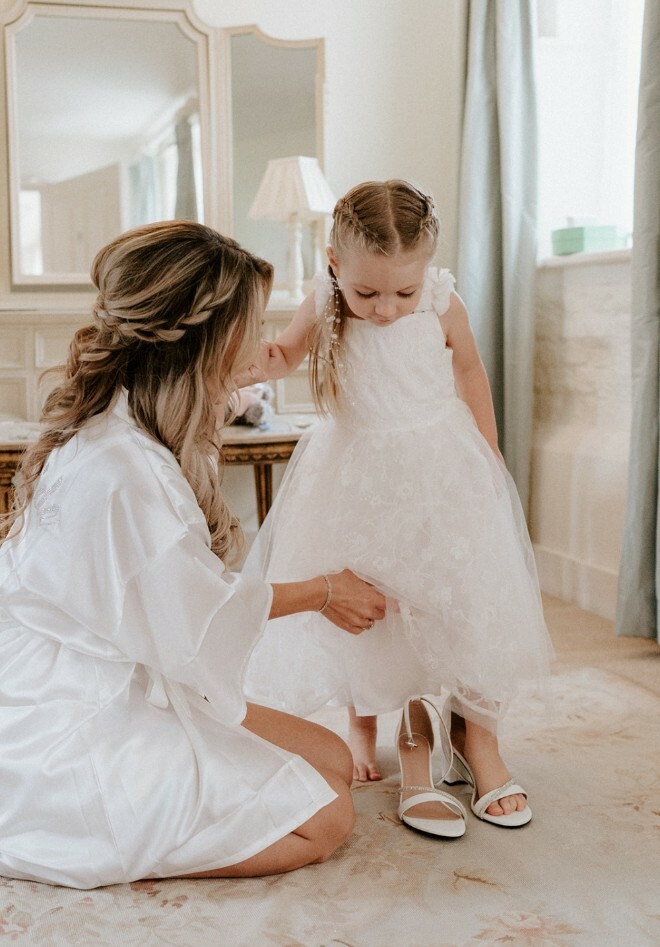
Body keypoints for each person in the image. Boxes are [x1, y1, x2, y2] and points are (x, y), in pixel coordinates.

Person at [0, 220, 387, 889]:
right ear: (197, 341)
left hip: (129, 664)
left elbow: (189, 612)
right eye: (247, 326)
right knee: (324, 819)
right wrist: (324, 591)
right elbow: (202, 618)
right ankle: (112, 840)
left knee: (330, 757)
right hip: (76, 704)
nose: (258, 347)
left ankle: (150, 811)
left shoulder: (130, 426)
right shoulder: (122, 469)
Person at [240, 180, 553, 836]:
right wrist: (244, 360)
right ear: (334, 265)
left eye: (402, 293)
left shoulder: (442, 302)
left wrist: (489, 455)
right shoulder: (324, 302)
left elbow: (470, 372)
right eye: (368, 293)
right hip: (357, 476)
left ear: (426, 276)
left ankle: (480, 744)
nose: (385, 310)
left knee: (464, 599)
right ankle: (379, 733)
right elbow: (283, 355)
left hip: (439, 470)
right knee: (375, 609)